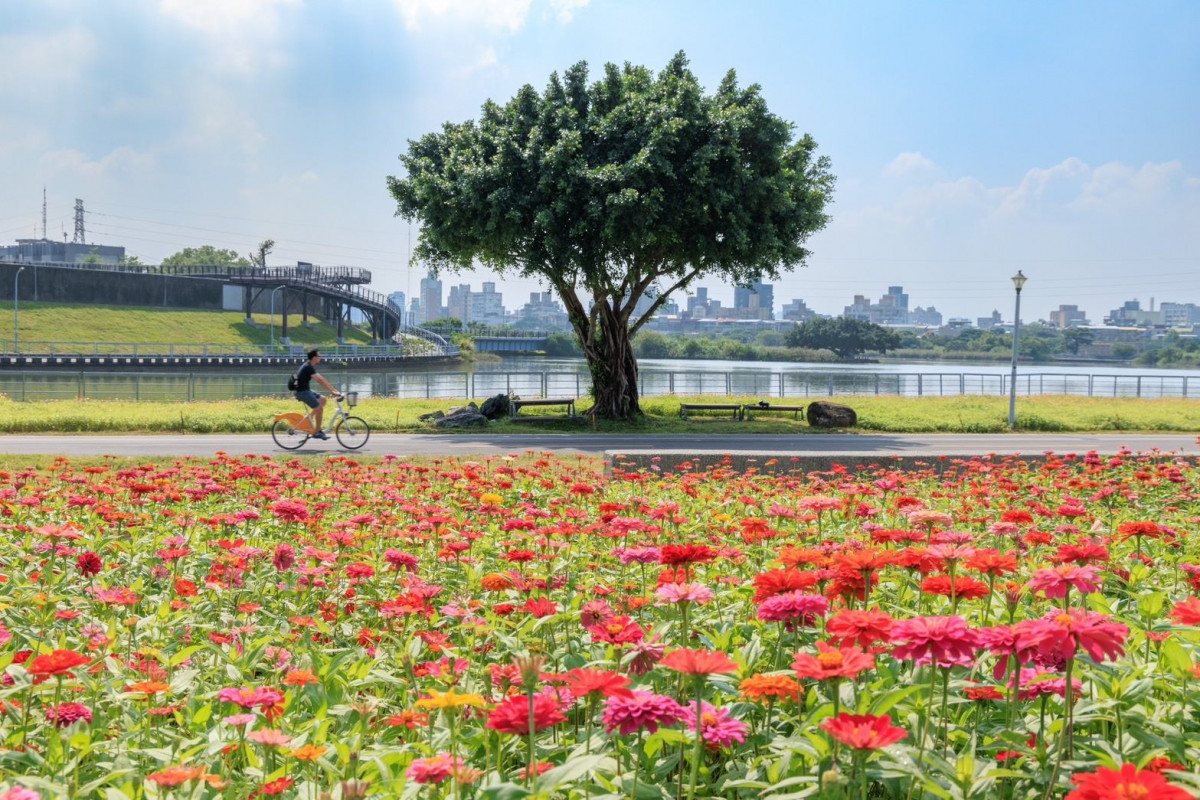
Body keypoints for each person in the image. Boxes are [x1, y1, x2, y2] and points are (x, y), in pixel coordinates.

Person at [293, 348, 341, 440]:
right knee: (319, 408)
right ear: (314, 357)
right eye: (319, 356)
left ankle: (309, 418)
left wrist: (334, 390)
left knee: (323, 399)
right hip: (302, 392)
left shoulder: (310, 366)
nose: (320, 357)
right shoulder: (308, 367)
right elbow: (319, 381)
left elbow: (322, 379)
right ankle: (317, 432)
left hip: (305, 390)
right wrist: (332, 392)